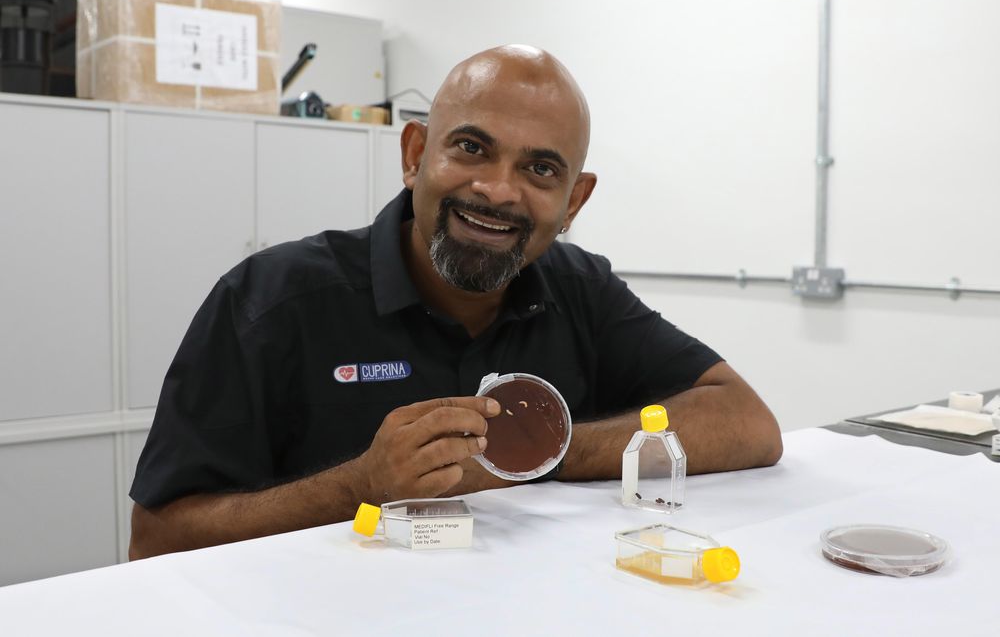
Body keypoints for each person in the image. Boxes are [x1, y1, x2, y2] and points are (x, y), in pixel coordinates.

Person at [129, 44, 782, 559]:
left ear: (574, 201)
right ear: (416, 154)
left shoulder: (579, 288)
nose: (498, 191)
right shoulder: (272, 300)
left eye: (540, 169)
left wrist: (535, 455)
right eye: (472, 148)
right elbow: (155, 539)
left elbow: (748, 421)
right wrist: (362, 485)